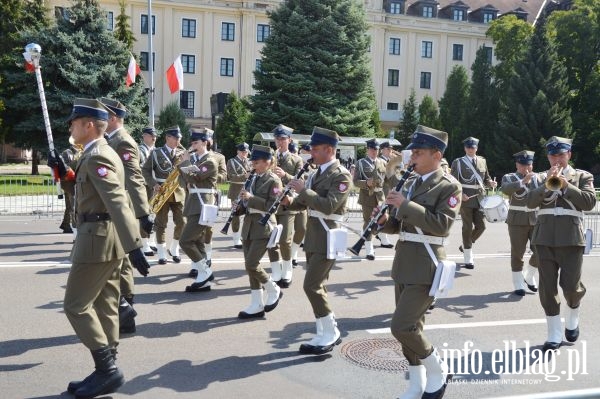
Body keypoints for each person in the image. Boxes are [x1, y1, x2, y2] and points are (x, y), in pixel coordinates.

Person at [48, 98, 149, 398]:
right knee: (106, 305)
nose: (70, 126)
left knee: (75, 305)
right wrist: (64, 172)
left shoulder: (97, 155)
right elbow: (89, 189)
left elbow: (116, 200)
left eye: (74, 122)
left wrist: (135, 246)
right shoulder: (97, 152)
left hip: (97, 240)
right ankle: (106, 369)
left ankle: (107, 369)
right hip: (105, 238)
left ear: (88, 125)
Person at [378, 125, 460, 399]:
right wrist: (384, 222)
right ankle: (416, 383)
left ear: (436, 154)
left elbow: (441, 225)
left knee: (401, 326)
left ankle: (439, 368)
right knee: (412, 329)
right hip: (404, 263)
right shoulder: (412, 183)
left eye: (419, 152)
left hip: (426, 265)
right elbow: (399, 226)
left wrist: (404, 204)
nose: (412, 156)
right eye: (413, 151)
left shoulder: (449, 185)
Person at [282, 126, 352, 355]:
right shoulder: (315, 173)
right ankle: (325, 330)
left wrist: (304, 191)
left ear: (329, 149)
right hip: (314, 236)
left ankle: (330, 331)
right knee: (317, 285)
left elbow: (329, 205)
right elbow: (304, 204)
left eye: (315, 148)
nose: (311, 151)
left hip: (327, 235)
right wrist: (289, 201)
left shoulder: (341, 174)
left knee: (311, 285)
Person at [526, 136, 596, 352]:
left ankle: (573, 313)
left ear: (569, 155)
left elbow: (589, 202)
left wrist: (566, 186)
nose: (557, 159)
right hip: (544, 238)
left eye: (561, 154)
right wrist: (547, 185)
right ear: (548, 156)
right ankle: (554, 334)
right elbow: (529, 202)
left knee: (571, 287)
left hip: (571, 239)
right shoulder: (539, 178)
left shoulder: (583, 176)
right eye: (552, 155)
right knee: (547, 289)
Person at [100, 97, 153, 334]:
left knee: (121, 264)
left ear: (112, 118)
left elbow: (134, 178)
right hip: (110, 210)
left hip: (120, 211)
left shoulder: (123, 142)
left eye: (102, 116)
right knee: (119, 263)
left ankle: (126, 311)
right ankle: (124, 312)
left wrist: (143, 213)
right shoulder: (109, 140)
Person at [237, 144, 284, 318]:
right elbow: (247, 203)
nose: (253, 165)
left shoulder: (274, 180)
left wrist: (251, 198)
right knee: (249, 268)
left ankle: (273, 288)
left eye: (256, 162)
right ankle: (256, 303)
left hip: (263, 226)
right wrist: (240, 206)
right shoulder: (253, 178)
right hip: (249, 225)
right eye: (253, 162)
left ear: (267, 162)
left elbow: (273, 206)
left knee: (252, 264)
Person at [177, 128, 219, 292]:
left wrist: (186, 163)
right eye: (192, 142)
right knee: (197, 241)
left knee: (185, 241)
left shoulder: (210, 161)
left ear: (205, 142)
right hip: (194, 203)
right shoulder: (198, 160)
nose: (192, 145)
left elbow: (195, 177)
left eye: (196, 142)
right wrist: (185, 166)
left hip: (202, 204)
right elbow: (186, 178)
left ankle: (205, 271)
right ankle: (205, 278)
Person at [500, 150, 543, 296]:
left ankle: (529, 276)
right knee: (518, 252)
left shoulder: (538, 178)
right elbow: (505, 190)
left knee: (540, 250)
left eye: (529, 165)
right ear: (517, 164)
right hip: (517, 220)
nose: (526, 168)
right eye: (523, 165)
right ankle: (518, 282)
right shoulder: (509, 177)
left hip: (535, 219)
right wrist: (523, 181)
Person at [141, 126, 186, 265]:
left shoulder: (183, 153)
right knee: (161, 224)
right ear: (168, 138)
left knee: (182, 222)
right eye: (176, 138)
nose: (178, 140)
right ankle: (161, 253)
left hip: (178, 192)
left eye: (179, 138)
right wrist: (153, 184)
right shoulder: (156, 153)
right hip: (161, 192)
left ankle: (174, 248)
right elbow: (146, 170)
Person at [450, 137, 497, 269]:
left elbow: (486, 178)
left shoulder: (482, 161)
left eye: (473, 147)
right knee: (467, 227)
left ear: (476, 148)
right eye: (468, 147)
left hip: (480, 198)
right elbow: (453, 182)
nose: (471, 149)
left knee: (481, 226)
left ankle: (465, 245)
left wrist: (491, 183)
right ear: (465, 148)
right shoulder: (458, 162)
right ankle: (468, 256)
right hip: (466, 198)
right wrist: (460, 194)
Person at [268, 124, 304, 287]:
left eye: (283, 139)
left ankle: (287, 269)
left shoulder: (297, 160)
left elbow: (301, 182)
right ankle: (276, 270)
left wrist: (285, 175)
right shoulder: (270, 157)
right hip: (270, 203)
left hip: (287, 204)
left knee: (284, 240)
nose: (280, 142)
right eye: (277, 139)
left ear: (289, 140)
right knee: (271, 239)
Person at [354, 139, 387, 260]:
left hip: (380, 197)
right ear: (367, 149)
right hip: (367, 197)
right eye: (372, 149)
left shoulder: (383, 162)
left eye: (377, 149)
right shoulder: (361, 163)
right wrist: (366, 183)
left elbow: (387, 180)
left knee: (380, 221)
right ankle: (369, 249)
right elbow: (355, 182)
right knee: (368, 222)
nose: (375, 151)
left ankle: (376, 237)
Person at [201, 127, 227, 267]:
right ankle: (196, 261)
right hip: (193, 196)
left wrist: (209, 175)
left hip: (210, 195)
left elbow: (223, 176)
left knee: (208, 229)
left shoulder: (218, 157)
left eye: (208, 138)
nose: (206, 141)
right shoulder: (192, 155)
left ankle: (208, 256)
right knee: (193, 228)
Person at [226, 142, 252, 249]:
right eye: (243, 152)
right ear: (238, 152)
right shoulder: (232, 162)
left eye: (246, 152)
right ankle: (236, 239)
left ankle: (245, 236)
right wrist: (244, 176)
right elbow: (231, 176)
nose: (245, 154)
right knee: (235, 215)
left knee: (248, 215)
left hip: (248, 192)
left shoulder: (249, 162)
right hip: (236, 191)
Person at [138, 126, 158, 256]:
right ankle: (144, 244)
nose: (154, 138)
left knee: (154, 214)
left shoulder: (156, 150)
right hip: (144, 186)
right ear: (145, 136)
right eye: (151, 135)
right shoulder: (139, 151)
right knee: (145, 214)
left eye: (155, 136)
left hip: (155, 186)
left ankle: (151, 241)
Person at [376, 141, 396, 249]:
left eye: (391, 149)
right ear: (382, 150)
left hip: (390, 193)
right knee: (383, 215)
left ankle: (380, 235)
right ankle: (383, 238)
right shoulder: (380, 162)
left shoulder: (391, 162)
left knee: (385, 215)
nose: (390, 151)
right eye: (388, 149)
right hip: (383, 193)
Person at [58, 137, 80, 235]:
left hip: (77, 182)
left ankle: (66, 225)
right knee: (73, 206)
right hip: (69, 183)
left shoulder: (82, 151)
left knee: (70, 206)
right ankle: (74, 229)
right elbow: (64, 167)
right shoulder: (67, 153)